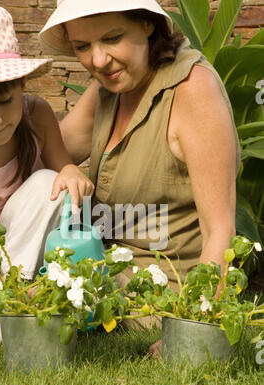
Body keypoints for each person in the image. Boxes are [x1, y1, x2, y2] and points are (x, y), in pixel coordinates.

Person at [39, 0, 241, 357]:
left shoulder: (192, 89)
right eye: (82, 47)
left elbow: (220, 231)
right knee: (39, 187)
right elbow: (43, 155)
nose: (98, 61)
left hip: (158, 298)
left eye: (112, 38)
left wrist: (190, 329)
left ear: (147, 25)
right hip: (97, 279)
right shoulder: (109, 88)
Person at [0, 5, 94, 347]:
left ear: (21, 83)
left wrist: (72, 174)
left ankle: (16, 300)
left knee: (47, 184)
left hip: (21, 253)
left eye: (5, 101)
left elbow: (63, 167)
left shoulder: (37, 115)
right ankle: (1, 313)